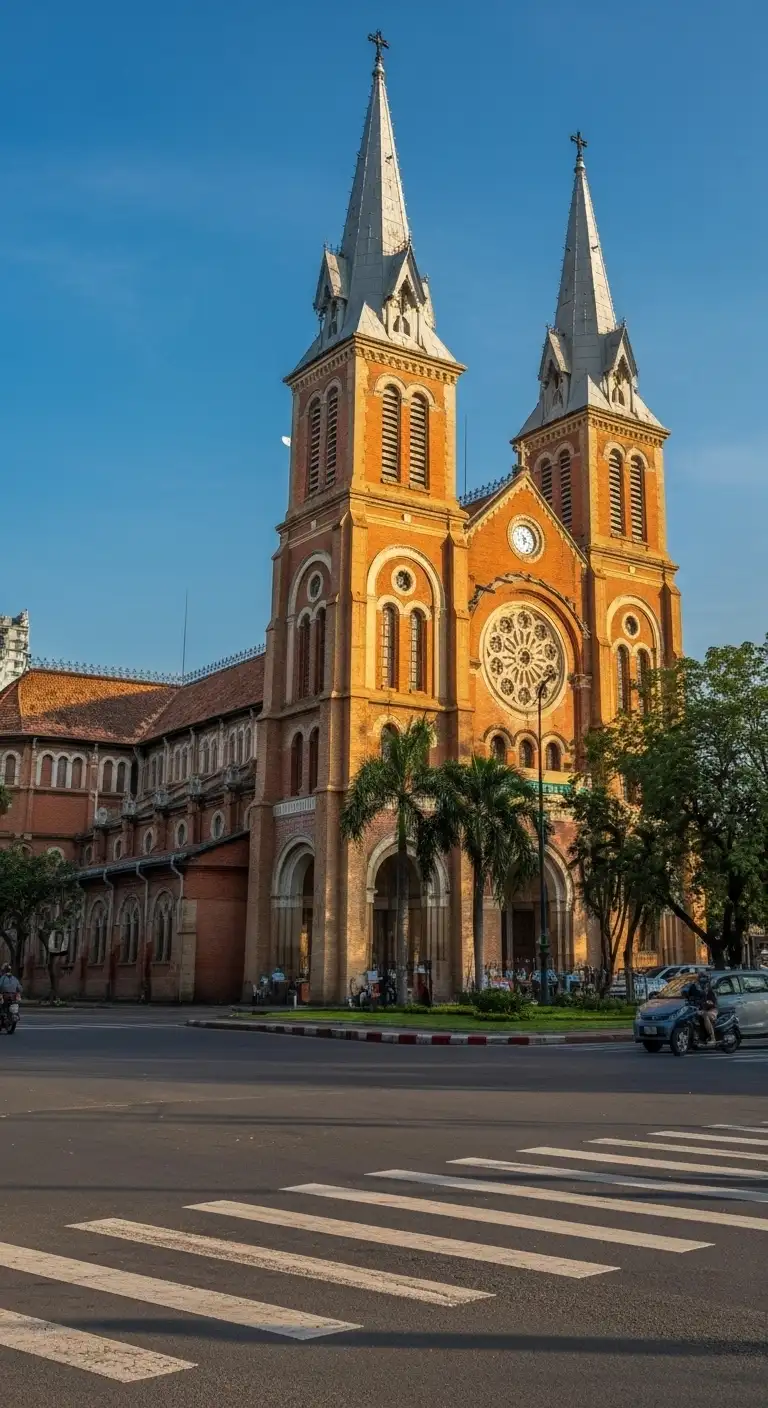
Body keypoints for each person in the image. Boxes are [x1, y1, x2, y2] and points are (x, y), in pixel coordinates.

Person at [687, 972, 717, 1045]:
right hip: (698, 1009)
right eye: (701, 977)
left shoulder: (710, 988)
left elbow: (714, 1001)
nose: (702, 979)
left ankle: (712, 1038)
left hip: (711, 1010)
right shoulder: (694, 987)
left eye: (704, 977)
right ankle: (695, 1037)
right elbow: (688, 995)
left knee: (705, 1015)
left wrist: (709, 1002)